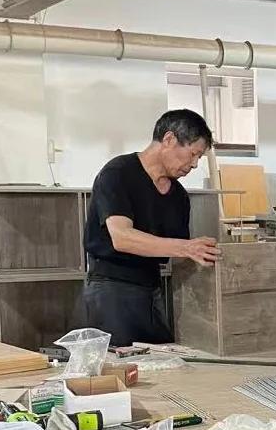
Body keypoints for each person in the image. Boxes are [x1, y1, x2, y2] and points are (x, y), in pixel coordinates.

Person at [83, 109, 221, 346]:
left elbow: (178, 254)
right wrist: (186, 248)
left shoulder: (178, 196)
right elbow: (122, 237)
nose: (195, 164)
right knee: (124, 367)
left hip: (151, 289)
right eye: (193, 154)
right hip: (111, 287)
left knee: (163, 360)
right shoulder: (118, 174)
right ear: (169, 140)